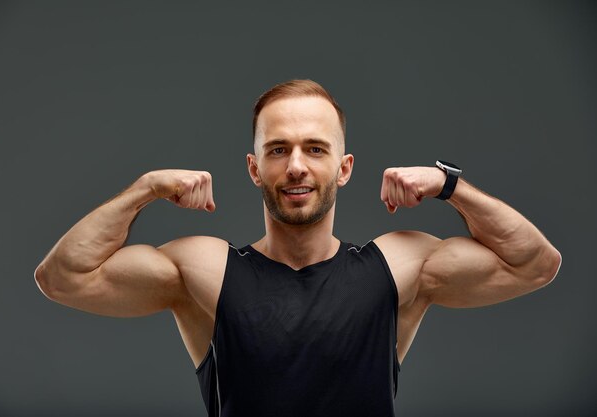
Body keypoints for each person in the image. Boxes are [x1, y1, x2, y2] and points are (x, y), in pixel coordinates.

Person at [34, 79, 562, 417]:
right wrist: (145, 188)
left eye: (315, 148)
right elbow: (62, 278)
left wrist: (450, 186)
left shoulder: (399, 265)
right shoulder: (207, 269)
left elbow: (536, 264)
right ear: (253, 167)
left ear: (344, 168)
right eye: (278, 149)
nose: (296, 167)